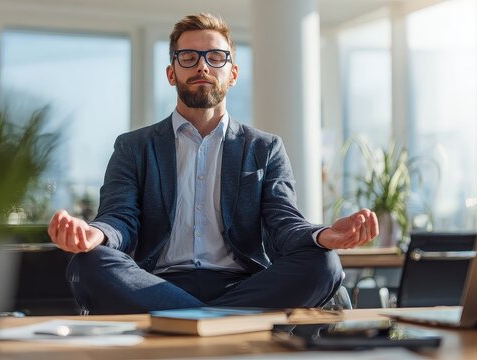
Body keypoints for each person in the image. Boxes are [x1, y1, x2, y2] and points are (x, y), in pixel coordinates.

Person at [48, 13, 378, 314]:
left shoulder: (264, 148)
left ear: (232, 74)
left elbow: (284, 225)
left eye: (215, 57)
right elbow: (120, 220)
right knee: (87, 264)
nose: (202, 67)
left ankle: (188, 319)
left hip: (244, 284)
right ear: (171, 73)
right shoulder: (133, 147)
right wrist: (93, 234)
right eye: (188, 57)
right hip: (156, 285)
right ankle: (223, 319)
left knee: (325, 265)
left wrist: (325, 235)